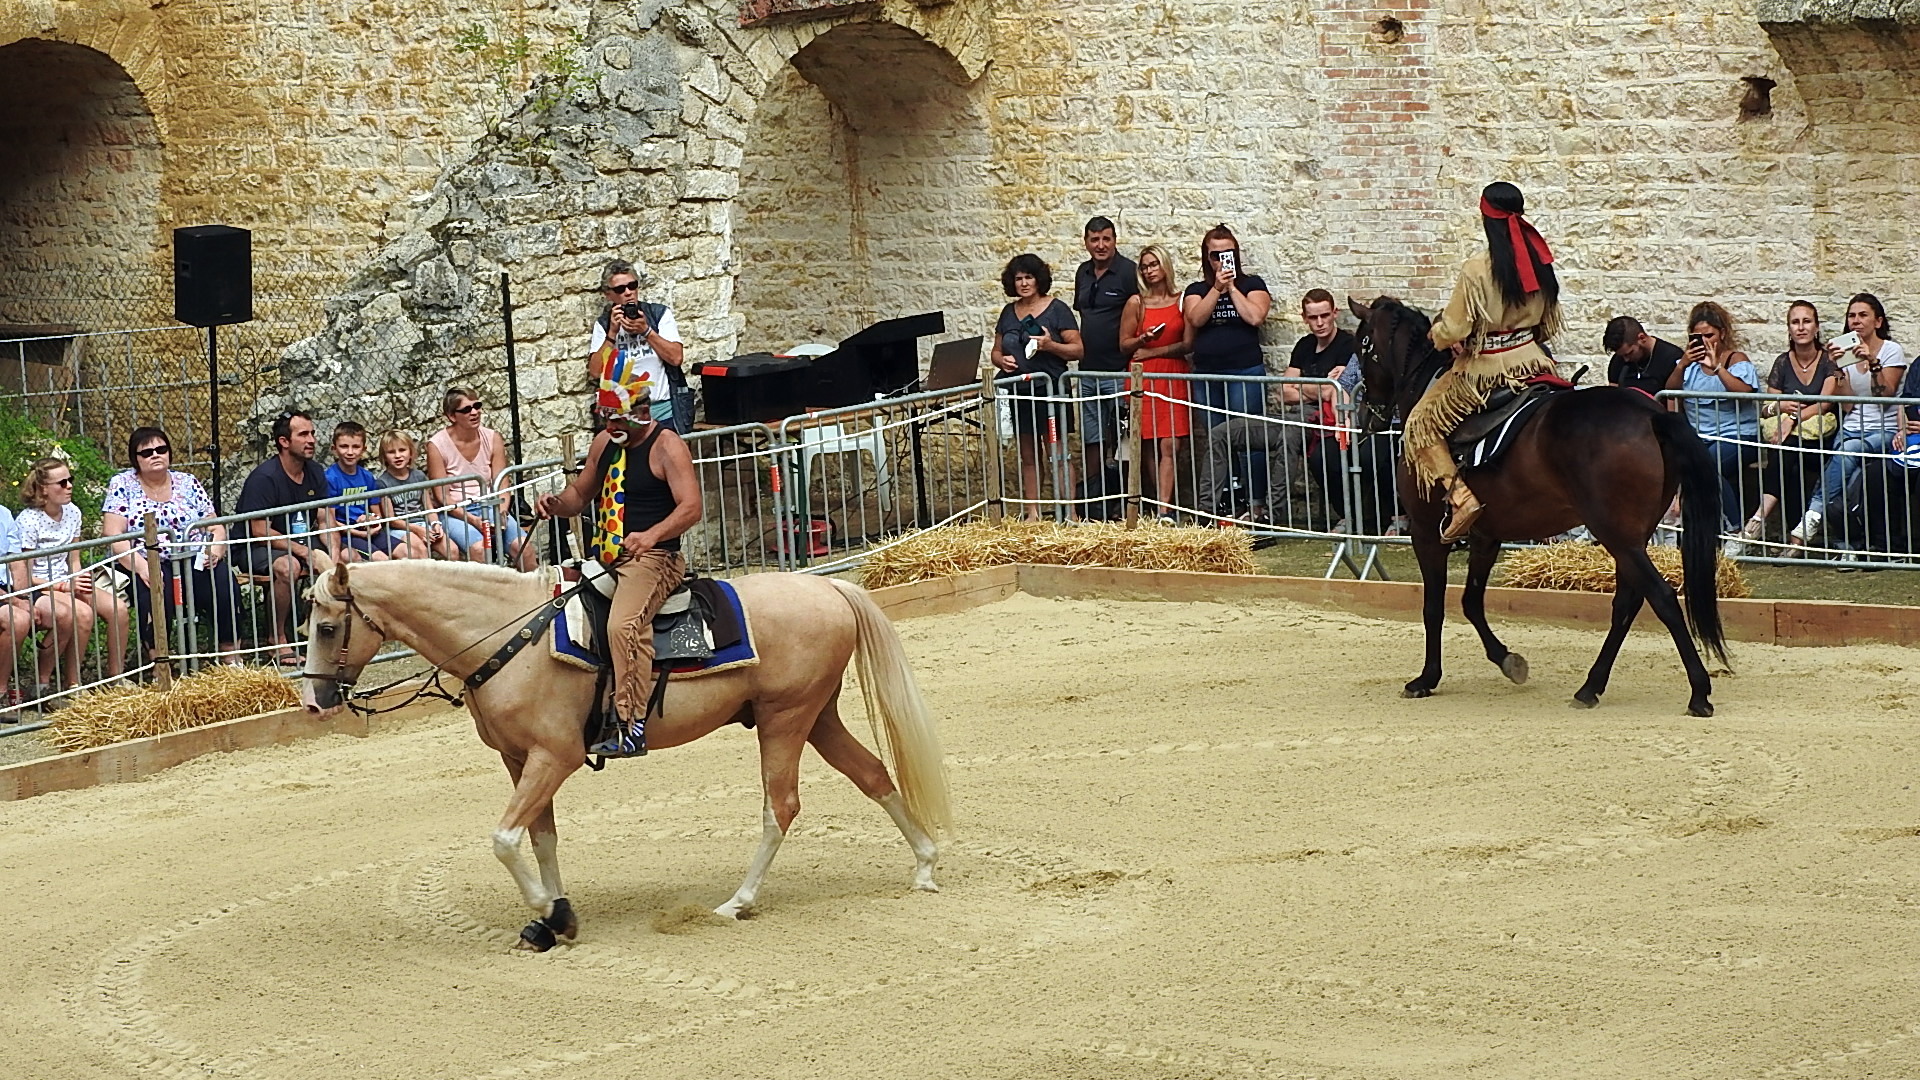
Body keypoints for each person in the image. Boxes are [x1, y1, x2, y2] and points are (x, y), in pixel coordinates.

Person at [534, 367, 702, 758]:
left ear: (642, 411)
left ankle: (631, 724)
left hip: (655, 558)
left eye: (618, 417)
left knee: (624, 625)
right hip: (606, 556)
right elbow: (578, 495)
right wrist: (555, 504)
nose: (611, 425)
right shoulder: (605, 443)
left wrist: (651, 536)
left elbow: (691, 507)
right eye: (606, 418)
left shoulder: (667, 445)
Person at [1413, 182, 1563, 542]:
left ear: (1486, 217)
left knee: (1420, 424)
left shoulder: (1478, 267)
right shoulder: (1540, 259)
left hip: (1488, 368)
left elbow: (1455, 326)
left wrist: (1437, 334)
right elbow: (1549, 321)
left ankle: (1460, 497)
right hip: (1534, 362)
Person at [103, 427, 244, 663]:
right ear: (135, 459)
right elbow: (113, 534)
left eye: (161, 449)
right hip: (147, 560)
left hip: (193, 556)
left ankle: (230, 653)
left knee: (224, 583)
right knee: (155, 593)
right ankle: (160, 661)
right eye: (146, 453)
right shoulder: (122, 484)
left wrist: (215, 549)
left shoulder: (187, 481)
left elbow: (215, 525)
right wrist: (141, 566)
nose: (155, 455)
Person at [1790, 292, 1907, 550]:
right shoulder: (1847, 354)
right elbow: (1848, 405)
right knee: (1843, 477)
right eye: (1851, 316)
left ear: (1877, 321)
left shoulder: (1891, 350)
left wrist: (1872, 361)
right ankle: (1846, 547)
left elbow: (1884, 395)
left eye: (1863, 315)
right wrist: (1838, 371)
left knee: (1846, 453)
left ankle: (1813, 515)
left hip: (1883, 431)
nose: (1856, 321)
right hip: (1852, 430)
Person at [1183, 224, 1274, 521]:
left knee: (1250, 440)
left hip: (1244, 371)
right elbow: (1195, 318)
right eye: (1215, 256)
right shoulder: (1197, 290)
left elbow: (1255, 316)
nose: (1222, 261)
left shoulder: (1252, 284)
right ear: (1206, 258)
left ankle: (1256, 504)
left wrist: (1232, 286)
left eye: (1228, 254)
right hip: (1209, 375)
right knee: (1217, 441)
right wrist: (1217, 288)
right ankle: (1223, 505)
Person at [16, 457, 129, 689]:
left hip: (67, 579)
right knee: (84, 614)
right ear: (44, 489)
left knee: (118, 609)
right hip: (40, 584)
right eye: (62, 483)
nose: (69, 486)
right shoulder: (28, 520)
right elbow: (24, 576)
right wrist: (63, 586)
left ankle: (116, 677)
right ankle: (72, 684)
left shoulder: (73, 512)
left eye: (70, 480)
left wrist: (78, 579)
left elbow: (73, 558)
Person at [237, 412, 339, 666]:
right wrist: (305, 553)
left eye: (313, 433)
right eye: (303, 434)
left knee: (350, 557)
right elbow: (260, 531)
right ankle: (277, 639)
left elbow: (326, 520)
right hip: (257, 546)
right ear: (284, 441)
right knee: (288, 567)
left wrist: (333, 558)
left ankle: (342, 630)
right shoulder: (264, 478)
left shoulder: (314, 471)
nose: (312, 440)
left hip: (299, 540)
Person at [990, 254, 1083, 520]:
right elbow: (995, 351)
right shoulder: (1009, 312)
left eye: (1028, 277)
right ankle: (1033, 513)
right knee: (1028, 456)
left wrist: (1050, 345)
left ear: (1038, 279)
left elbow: (1077, 350)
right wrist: (1002, 360)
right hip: (1019, 391)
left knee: (1058, 453)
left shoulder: (1057, 309)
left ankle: (1070, 513)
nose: (1023, 283)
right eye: (1018, 278)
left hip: (1052, 390)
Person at [1744, 301, 1839, 548]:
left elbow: (1825, 404)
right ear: (1788, 329)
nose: (1801, 327)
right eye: (1795, 322)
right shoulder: (1782, 363)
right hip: (1788, 442)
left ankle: (1758, 518)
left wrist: (1793, 418)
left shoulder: (1828, 361)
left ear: (1816, 327)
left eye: (1806, 321)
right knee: (1788, 458)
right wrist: (1781, 408)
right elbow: (1768, 406)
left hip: (1821, 440)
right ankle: (1795, 539)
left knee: (1786, 450)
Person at [1663, 301, 1761, 538]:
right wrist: (1684, 364)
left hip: (1738, 436)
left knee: (1707, 465)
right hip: (1702, 437)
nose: (1705, 341)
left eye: (1709, 335)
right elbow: (1670, 389)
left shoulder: (1735, 360)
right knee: (1694, 463)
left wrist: (1717, 367)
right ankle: (1702, 532)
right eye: (1698, 336)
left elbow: (1745, 392)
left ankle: (1735, 532)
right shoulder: (1689, 366)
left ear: (1722, 333)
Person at [1118, 244, 1192, 521]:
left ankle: (1165, 507)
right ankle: (1157, 506)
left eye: (1154, 264)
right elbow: (1124, 345)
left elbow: (1187, 343)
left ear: (1165, 266)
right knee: (1147, 443)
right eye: (1145, 266)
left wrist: (1154, 350)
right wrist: (1142, 340)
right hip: (1144, 376)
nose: (1150, 271)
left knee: (1170, 444)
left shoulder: (1182, 300)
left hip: (1172, 374)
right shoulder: (1136, 303)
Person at [426, 388, 537, 570]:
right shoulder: (437, 445)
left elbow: (502, 483)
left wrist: (501, 513)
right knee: (479, 550)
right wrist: (473, 520)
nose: (475, 412)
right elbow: (442, 497)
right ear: (452, 416)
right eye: (467, 409)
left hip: (490, 505)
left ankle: (537, 595)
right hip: (456, 512)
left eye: (477, 406)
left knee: (524, 548)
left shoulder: (492, 438)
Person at [1073, 216, 1139, 495]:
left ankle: (1128, 499)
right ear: (1086, 242)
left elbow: (1140, 314)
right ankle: (1094, 498)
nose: (1100, 245)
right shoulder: (1083, 272)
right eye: (1094, 239)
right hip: (1088, 371)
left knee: (1124, 440)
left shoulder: (1128, 271)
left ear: (1115, 240)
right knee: (1092, 439)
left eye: (1106, 239)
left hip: (1119, 371)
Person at [588, 260, 688, 432]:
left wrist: (646, 331)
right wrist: (612, 334)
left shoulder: (658, 314)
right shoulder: (604, 325)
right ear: (608, 295)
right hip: (625, 415)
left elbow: (676, 358)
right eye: (620, 289)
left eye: (632, 286)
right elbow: (596, 372)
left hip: (663, 411)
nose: (628, 293)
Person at [1292, 289, 1358, 528]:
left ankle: (1348, 515)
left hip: (1337, 419)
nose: (1319, 323)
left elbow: (1335, 391)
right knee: (1281, 439)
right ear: (1304, 318)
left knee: (1323, 457)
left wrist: (1302, 388)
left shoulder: (1347, 343)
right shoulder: (1304, 346)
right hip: (1305, 416)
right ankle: (1265, 512)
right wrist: (1319, 388)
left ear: (1335, 313)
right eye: (1313, 317)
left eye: (1324, 315)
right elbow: (1283, 391)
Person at [325, 421, 419, 561]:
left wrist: (371, 519)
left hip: (370, 531)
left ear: (363, 450)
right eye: (344, 446)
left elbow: (377, 513)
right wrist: (358, 532)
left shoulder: (367, 477)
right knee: (381, 560)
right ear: (334, 449)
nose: (350, 452)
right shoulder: (330, 478)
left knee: (409, 552)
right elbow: (330, 520)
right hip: (348, 534)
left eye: (356, 447)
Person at [377, 430, 456, 560]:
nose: (397, 456)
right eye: (391, 452)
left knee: (452, 550)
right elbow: (392, 520)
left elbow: (428, 507)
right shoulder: (383, 482)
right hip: (401, 528)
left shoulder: (419, 476)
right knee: (421, 551)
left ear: (411, 453)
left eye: (402, 450)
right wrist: (417, 530)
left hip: (423, 523)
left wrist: (436, 524)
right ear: (384, 457)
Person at [0, 505, 39, 715]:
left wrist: (24, 598)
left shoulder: (4, 513)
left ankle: (43, 689)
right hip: (4, 594)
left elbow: (16, 563)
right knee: (18, 621)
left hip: (6, 588)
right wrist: (15, 602)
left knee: (65, 615)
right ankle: (1, 693)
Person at [1603, 316, 1683, 396]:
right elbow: (1613, 397)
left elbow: (1675, 400)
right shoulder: (1618, 359)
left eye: (1629, 353)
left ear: (1642, 338)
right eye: (1622, 355)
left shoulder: (1671, 357)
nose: (1626, 359)